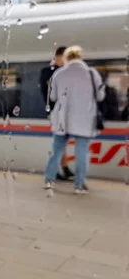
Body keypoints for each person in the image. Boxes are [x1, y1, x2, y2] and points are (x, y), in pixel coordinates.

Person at [44, 46, 105, 194]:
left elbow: (52, 97)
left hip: (62, 119)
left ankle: (49, 181)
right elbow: (100, 96)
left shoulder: (59, 74)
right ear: (80, 58)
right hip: (84, 119)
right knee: (82, 152)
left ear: (66, 58)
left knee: (57, 150)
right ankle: (79, 185)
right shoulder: (92, 73)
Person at [40, 46, 74, 181]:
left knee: (61, 142)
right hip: (56, 112)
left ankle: (63, 168)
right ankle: (55, 171)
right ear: (58, 57)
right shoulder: (48, 72)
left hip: (66, 112)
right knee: (59, 142)